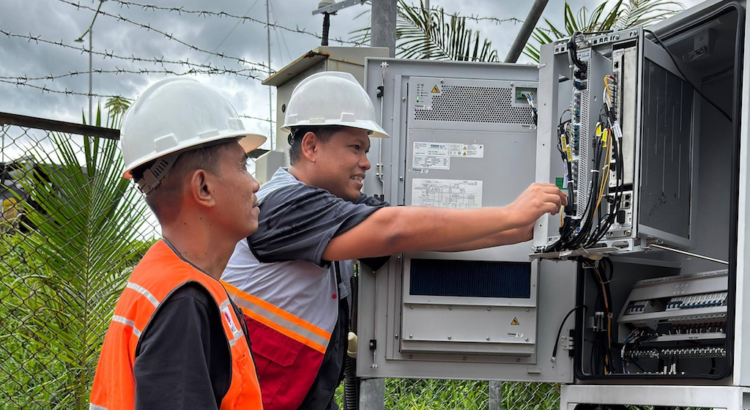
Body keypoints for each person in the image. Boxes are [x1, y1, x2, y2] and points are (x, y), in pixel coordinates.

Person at [221, 72, 566, 410]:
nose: (366, 163)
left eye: (366, 150)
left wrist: (518, 232)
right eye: (355, 147)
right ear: (310, 146)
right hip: (254, 397)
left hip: (293, 394)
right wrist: (510, 214)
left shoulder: (337, 207)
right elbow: (395, 229)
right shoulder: (284, 205)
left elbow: (414, 236)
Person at [89, 78, 267, 410]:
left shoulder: (166, 281)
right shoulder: (184, 303)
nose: (255, 183)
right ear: (203, 188)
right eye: (243, 164)